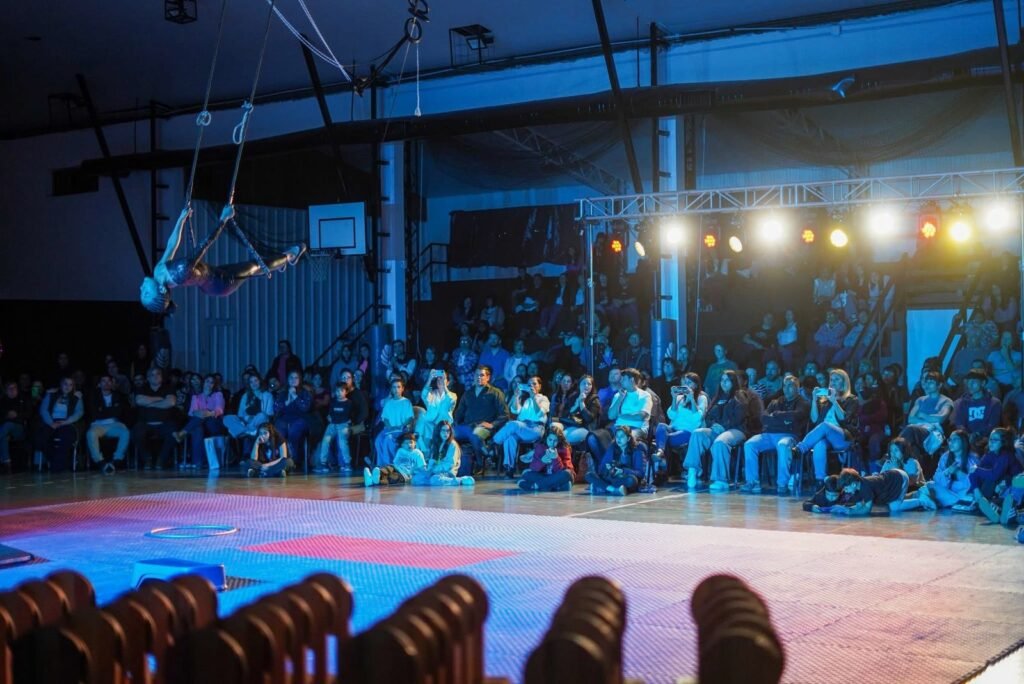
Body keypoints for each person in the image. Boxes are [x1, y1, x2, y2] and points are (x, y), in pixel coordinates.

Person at [139, 205, 305, 314]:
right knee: (255, 265)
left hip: (213, 276)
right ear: (161, 290)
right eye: (146, 292)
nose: (141, 287)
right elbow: (205, 244)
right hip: (222, 284)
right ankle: (290, 256)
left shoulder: (158, 272)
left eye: (142, 292)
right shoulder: (179, 272)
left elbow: (171, 245)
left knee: (251, 269)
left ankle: (279, 263)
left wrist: (181, 220)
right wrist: (223, 219)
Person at [741, 374, 810, 495]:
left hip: (789, 435)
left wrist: (776, 415)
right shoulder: (775, 402)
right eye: (785, 386)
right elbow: (764, 418)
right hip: (769, 434)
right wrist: (784, 421)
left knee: (783, 444)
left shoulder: (803, 403)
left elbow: (796, 416)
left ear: (798, 388)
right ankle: (752, 481)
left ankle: (782, 483)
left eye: (790, 386)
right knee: (750, 444)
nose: (787, 388)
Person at [790, 369, 860, 488]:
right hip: (827, 437)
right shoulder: (825, 401)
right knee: (819, 445)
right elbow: (814, 419)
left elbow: (844, 419)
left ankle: (800, 448)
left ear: (844, 383)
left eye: (837, 380)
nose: (833, 382)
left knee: (825, 425)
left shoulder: (852, 399)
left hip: (843, 438)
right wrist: (814, 400)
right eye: (831, 380)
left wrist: (834, 401)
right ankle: (820, 481)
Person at [682, 369, 750, 492]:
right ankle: (693, 470)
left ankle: (721, 480)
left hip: (736, 429)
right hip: (717, 429)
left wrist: (723, 426)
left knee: (720, 441)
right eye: (722, 380)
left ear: (733, 382)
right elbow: (708, 416)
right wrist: (713, 425)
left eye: (727, 380)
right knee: (698, 434)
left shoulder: (740, 395)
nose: (724, 383)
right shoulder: (718, 397)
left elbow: (739, 417)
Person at [452, 365, 509, 476]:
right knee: (447, 433)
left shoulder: (496, 393)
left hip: (485, 428)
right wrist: (455, 423)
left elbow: (505, 415)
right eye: (477, 375)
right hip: (467, 427)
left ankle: (479, 462)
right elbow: (459, 413)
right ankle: (449, 464)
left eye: (482, 375)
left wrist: (492, 425)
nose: (479, 377)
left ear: (488, 377)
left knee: (476, 433)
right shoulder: (468, 393)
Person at [493, 375, 550, 478]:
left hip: (536, 429)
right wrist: (516, 396)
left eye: (534, 384)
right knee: (510, 437)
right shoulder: (526, 400)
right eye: (529, 384)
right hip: (523, 428)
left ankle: (494, 443)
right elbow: (515, 410)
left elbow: (539, 413)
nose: (531, 386)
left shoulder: (543, 399)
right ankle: (509, 468)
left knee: (513, 424)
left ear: (539, 386)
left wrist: (533, 397)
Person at [652, 372, 707, 471]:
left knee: (663, 439)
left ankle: (661, 456)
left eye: (689, 383)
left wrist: (692, 399)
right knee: (661, 426)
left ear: (696, 385)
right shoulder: (679, 398)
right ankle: (661, 452)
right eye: (684, 382)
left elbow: (697, 418)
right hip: (673, 429)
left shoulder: (701, 398)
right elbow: (671, 415)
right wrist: (674, 398)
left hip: (688, 432)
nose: (686, 385)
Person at [912, 429, 976, 510]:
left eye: (955, 439)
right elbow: (937, 479)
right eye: (950, 440)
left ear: (963, 442)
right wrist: (947, 472)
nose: (951, 442)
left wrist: (958, 473)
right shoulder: (945, 457)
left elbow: (972, 484)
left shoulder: (972, 459)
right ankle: (930, 500)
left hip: (962, 493)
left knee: (970, 496)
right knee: (930, 485)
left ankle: (927, 501)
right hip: (947, 493)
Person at [899, 370, 954, 460]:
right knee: (913, 447)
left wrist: (922, 415)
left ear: (939, 385)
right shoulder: (920, 400)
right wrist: (930, 418)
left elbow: (941, 419)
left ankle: (890, 456)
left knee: (910, 429)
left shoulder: (946, 401)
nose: (927, 385)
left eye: (931, 383)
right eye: (926, 382)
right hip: (918, 429)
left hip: (933, 432)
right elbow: (911, 419)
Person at [131, 367, 178, 470]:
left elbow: (171, 402)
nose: (155, 376)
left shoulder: (169, 388)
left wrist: (149, 403)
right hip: (145, 423)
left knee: (174, 434)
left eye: (158, 374)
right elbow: (139, 401)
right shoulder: (142, 388)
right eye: (152, 375)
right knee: (136, 433)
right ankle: (147, 459)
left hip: (165, 422)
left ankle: (161, 460)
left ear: (162, 376)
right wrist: (161, 399)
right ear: (148, 378)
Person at [35, 376, 84, 472]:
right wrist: (51, 423)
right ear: (61, 385)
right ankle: (57, 462)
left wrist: (66, 422)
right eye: (65, 384)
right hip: (51, 422)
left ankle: (57, 466)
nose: (68, 387)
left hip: (67, 423)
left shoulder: (76, 397)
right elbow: (43, 410)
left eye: (71, 385)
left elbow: (79, 412)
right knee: (40, 438)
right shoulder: (51, 394)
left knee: (66, 438)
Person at [86, 374, 131, 474]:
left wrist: (103, 410)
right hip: (97, 424)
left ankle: (116, 461)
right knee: (91, 433)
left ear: (112, 383)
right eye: (104, 381)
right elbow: (94, 413)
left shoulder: (119, 396)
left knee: (125, 432)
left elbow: (119, 412)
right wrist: (111, 410)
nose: (106, 383)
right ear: (99, 384)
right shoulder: (93, 396)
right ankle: (100, 462)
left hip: (115, 424)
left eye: (108, 381)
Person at [179, 374, 225, 469]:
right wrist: (200, 413)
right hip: (200, 424)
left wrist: (207, 413)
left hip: (214, 423)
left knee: (202, 418)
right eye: (207, 381)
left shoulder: (218, 395)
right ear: (203, 383)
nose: (209, 384)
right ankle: (198, 463)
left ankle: (182, 432)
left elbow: (219, 410)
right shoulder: (196, 397)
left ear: (214, 385)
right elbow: (192, 412)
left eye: (212, 383)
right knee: (198, 429)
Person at [585, 426, 647, 496]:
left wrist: (623, 471)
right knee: (589, 475)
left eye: (622, 436)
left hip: (625, 477)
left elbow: (640, 473)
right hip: (613, 477)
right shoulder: (612, 448)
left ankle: (603, 487)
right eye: (617, 436)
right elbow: (601, 469)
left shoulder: (637, 450)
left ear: (628, 438)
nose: (619, 439)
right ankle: (613, 489)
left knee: (631, 480)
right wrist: (608, 468)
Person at [223, 373, 274, 453]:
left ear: (260, 381)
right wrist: (247, 418)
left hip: (259, 420)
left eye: (256, 380)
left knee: (262, 415)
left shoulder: (267, 395)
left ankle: (243, 431)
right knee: (227, 418)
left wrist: (254, 418)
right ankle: (248, 431)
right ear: (249, 384)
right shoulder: (245, 396)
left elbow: (269, 413)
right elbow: (240, 414)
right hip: (246, 421)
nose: (254, 383)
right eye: (251, 382)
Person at [413, 421, 474, 486]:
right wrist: (429, 469)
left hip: (447, 472)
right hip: (435, 472)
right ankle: (437, 482)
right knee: (416, 478)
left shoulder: (452, 445)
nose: (446, 433)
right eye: (443, 431)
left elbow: (450, 464)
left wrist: (435, 470)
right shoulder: (435, 444)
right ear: (438, 431)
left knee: (435, 479)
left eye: (448, 431)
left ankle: (460, 480)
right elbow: (432, 460)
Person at [518, 423, 574, 492]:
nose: (552, 443)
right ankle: (557, 487)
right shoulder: (540, 447)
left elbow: (566, 470)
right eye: (550, 440)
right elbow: (533, 468)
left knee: (567, 474)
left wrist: (556, 459)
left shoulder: (564, 449)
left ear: (559, 440)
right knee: (526, 473)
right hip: (543, 475)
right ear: (546, 438)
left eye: (555, 441)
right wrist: (542, 462)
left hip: (557, 476)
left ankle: (536, 486)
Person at [829, 467, 910, 515]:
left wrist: (850, 512)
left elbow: (867, 509)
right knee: (889, 505)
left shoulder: (865, 486)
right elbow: (859, 506)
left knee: (894, 508)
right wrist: (843, 509)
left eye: (846, 488)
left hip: (899, 478)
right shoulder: (855, 488)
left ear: (853, 484)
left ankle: (918, 500)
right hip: (891, 477)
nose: (846, 491)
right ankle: (912, 495)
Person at [273, 370, 312, 468]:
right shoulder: (282, 393)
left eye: (296, 378)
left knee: (293, 431)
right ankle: (280, 459)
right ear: (287, 380)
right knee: (279, 430)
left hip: (300, 419)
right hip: (284, 419)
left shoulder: (305, 393)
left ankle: (293, 459)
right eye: (291, 377)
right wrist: (286, 402)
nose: (293, 380)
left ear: (300, 380)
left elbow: (305, 408)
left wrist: (295, 396)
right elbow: (276, 409)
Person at [373, 377, 415, 467]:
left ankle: (389, 464)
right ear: (391, 389)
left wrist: (401, 426)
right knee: (378, 440)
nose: (396, 389)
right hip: (389, 429)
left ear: (402, 388)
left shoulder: (406, 402)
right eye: (394, 387)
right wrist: (390, 427)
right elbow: (385, 418)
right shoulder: (389, 403)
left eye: (398, 387)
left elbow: (410, 418)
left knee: (388, 440)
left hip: (402, 429)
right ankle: (380, 465)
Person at [951, 368, 1002, 442]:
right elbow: (960, 423)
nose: (970, 385)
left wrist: (978, 434)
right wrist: (967, 435)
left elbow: (992, 425)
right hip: (966, 440)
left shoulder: (994, 403)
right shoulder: (961, 403)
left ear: (983, 383)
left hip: (987, 441)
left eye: (974, 382)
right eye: (969, 381)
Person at [314, 382, 354, 473]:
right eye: (337, 391)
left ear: (346, 392)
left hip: (343, 425)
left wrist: (346, 422)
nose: (339, 393)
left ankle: (347, 463)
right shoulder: (333, 402)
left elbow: (348, 416)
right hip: (332, 424)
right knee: (325, 441)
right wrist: (329, 417)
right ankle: (323, 463)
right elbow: (330, 413)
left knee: (342, 442)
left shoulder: (349, 403)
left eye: (341, 391)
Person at [416, 370, 457, 457]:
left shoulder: (453, 395)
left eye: (442, 379)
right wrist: (430, 379)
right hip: (431, 423)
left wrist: (444, 386)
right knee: (423, 421)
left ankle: (433, 455)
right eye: (438, 379)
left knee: (437, 430)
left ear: (448, 382)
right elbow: (424, 395)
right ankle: (424, 452)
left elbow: (450, 400)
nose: (440, 381)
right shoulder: (432, 393)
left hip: (443, 424)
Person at [0, 381, 30, 473]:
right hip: (4, 430)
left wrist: (16, 416)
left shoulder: (23, 400)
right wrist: (6, 416)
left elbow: (29, 414)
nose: (12, 390)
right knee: (3, 437)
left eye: (14, 388)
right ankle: (7, 464)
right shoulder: (2, 401)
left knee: (8, 425)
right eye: (10, 388)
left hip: (19, 429)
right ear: (6, 391)